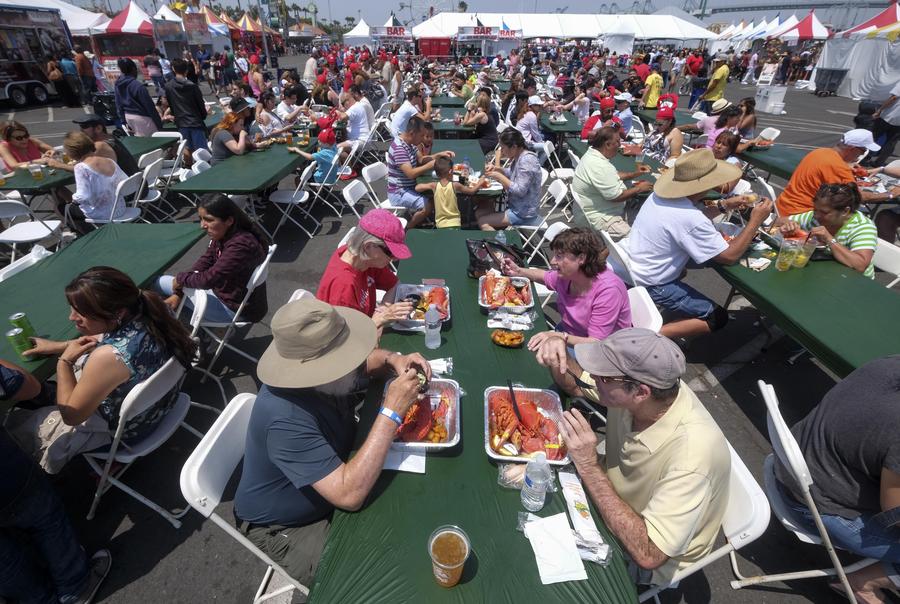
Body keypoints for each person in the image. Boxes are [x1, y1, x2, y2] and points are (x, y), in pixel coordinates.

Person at [232, 297, 430, 585]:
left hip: (337, 473)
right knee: (377, 578)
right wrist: (391, 413)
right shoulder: (284, 418)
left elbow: (367, 363)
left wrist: (393, 359)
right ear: (316, 370)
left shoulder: (320, 377)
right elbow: (349, 496)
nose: (355, 363)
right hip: (287, 524)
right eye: (344, 359)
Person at [551, 328, 729, 588]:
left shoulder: (693, 457)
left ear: (641, 392)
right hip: (610, 493)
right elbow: (578, 382)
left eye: (603, 376)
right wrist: (557, 356)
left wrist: (589, 467)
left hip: (644, 552)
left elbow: (649, 553)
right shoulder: (634, 394)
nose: (594, 378)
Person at [8, 267, 195, 474]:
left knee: (16, 429)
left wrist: (64, 361)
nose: (72, 318)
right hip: (162, 407)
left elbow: (71, 417)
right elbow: (108, 337)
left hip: (130, 434)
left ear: (118, 313)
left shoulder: (108, 357)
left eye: (80, 312)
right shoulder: (154, 309)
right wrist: (58, 345)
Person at [773, 355, 900, 604]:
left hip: (794, 464)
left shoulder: (889, 365)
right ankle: (862, 583)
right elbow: (894, 514)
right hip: (817, 505)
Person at [625, 148, 774, 339]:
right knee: (717, 318)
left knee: (683, 270)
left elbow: (686, 223)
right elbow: (729, 257)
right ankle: (648, 335)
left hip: (632, 266)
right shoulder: (689, 217)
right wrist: (755, 221)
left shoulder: (659, 196)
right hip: (651, 281)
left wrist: (725, 205)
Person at [0, 360, 112, 603]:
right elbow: (26, 387)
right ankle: (76, 586)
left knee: (4, 561)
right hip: (8, 477)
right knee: (44, 519)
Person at [502, 227, 631, 392]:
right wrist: (518, 271)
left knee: (531, 368)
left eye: (559, 256)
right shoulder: (569, 275)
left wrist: (558, 336)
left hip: (601, 352)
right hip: (568, 334)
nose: (552, 261)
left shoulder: (608, 290)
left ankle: (573, 397)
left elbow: (596, 342)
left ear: (581, 258)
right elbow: (544, 276)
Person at [158, 194, 269, 322]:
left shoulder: (240, 246)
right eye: (201, 219)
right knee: (170, 288)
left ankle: (198, 331)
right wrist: (179, 292)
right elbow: (205, 261)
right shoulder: (227, 234)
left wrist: (181, 279)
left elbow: (208, 279)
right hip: (232, 298)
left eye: (209, 220)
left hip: (234, 309)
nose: (202, 225)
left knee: (157, 283)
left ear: (229, 220)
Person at [316, 209, 415, 330]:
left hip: (367, 326)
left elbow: (394, 284)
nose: (394, 258)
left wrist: (382, 313)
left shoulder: (365, 259)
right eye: (390, 252)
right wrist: (379, 320)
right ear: (368, 246)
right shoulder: (343, 287)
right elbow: (348, 340)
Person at [776, 130, 900, 217]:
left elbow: (828, 171)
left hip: (782, 205)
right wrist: (889, 194)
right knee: (858, 222)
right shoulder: (839, 168)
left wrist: (847, 167)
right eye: (863, 150)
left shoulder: (820, 152)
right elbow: (857, 197)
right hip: (801, 214)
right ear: (852, 149)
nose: (861, 155)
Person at [777, 183, 878, 278]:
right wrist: (788, 226)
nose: (816, 215)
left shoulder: (862, 227)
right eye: (815, 210)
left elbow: (860, 266)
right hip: (822, 274)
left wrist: (829, 239)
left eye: (824, 212)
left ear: (845, 211)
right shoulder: (815, 216)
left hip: (855, 282)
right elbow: (778, 221)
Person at [572, 127, 653, 240]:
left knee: (637, 213)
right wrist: (640, 188)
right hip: (599, 218)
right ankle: (603, 254)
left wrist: (634, 174)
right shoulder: (600, 166)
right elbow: (616, 196)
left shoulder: (591, 155)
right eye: (618, 142)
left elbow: (613, 175)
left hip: (588, 211)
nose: (620, 145)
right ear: (608, 144)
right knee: (636, 240)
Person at [387, 116, 453, 230]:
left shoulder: (410, 143)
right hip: (399, 192)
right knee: (428, 206)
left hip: (409, 186)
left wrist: (438, 156)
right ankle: (406, 229)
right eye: (421, 135)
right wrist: (429, 165)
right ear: (412, 133)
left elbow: (421, 159)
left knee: (434, 193)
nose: (423, 138)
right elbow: (411, 174)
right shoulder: (399, 148)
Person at [60, 130, 127, 231]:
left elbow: (82, 196)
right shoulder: (109, 160)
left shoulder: (81, 167)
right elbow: (124, 181)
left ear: (72, 152)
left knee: (61, 208)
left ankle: (81, 233)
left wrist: (72, 199)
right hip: (120, 209)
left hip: (103, 214)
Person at [477, 129, 542, 230]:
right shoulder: (519, 156)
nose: (501, 151)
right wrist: (498, 169)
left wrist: (499, 176)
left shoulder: (527, 161)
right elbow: (514, 173)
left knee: (482, 221)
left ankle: (499, 243)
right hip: (514, 206)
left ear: (514, 147)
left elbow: (520, 191)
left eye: (503, 148)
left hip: (523, 213)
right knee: (480, 211)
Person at [414, 155, 486, 229]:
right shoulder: (455, 185)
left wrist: (428, 186)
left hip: (440, 224)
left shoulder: (434, 186)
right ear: (451, 171)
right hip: (455, 223)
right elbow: (472, 191)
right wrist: (480, 182)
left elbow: (417, 188)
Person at [69, 114, 140, 176]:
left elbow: (82, 169)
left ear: (98, 128)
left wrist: (59, 165)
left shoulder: (99, 146)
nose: (81, 130)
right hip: (137, 185)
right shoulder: (110, 137)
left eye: (84, 126)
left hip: (128, 189)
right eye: (80, 126)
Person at [164, 58, 209, 154]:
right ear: (187, 70)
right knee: (202, 152)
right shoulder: (192, 86)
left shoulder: (168, 86)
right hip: (195, 122)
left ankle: (189, 167)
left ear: (173, 69)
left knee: (187, 149)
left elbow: (171, 105)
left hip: (181, 122)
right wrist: (203, 115)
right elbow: (200, 104)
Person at [113, 58, 161, 137]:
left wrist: (123, 121)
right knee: (152, 142)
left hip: (128, 116)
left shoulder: (118, 84)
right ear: (133, 69)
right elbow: (149, 106)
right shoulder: (138, 86)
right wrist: (159, 123)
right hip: (142, 118)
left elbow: (118, 104)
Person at [870, 81, 900, 167]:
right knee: (891, 142)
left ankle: (865, 157)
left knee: (874, 136)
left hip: (889, 115)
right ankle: (880, 162)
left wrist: (880, 110)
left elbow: (893, 98)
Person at [462, 91, 499, 155]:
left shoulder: (482, 115)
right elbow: (470, 121)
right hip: (483, 137)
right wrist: (473, 111)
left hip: (489, 140)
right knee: (467, 139)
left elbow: (466, 123)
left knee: (470, 144)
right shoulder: (482, 112)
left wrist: (469, 109)